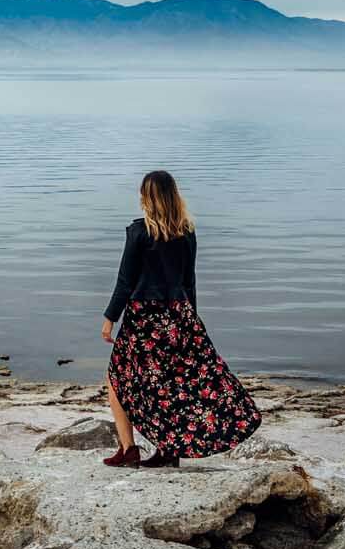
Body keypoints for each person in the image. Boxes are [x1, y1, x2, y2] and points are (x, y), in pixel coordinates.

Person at [99, 171, 261, 468]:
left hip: (145, 319)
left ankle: (129, 448)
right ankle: (168, 451)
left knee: (118, 378)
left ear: (147, 197)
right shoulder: (186, 231)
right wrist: (193, 321)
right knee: (173, 385)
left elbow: (125, 282)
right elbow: (189, 282)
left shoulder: (138, 233)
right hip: (178, 317)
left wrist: (110, 317)